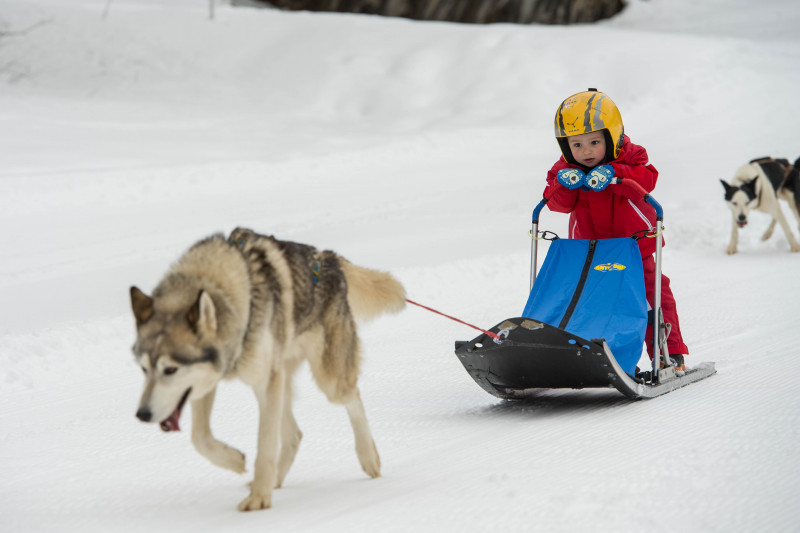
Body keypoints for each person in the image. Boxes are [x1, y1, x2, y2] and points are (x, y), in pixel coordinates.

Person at [542, 88, 688, 371]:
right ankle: (606, 358)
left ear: (613, 136)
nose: (586, 152)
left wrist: (617, 174)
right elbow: (558, 204)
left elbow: (647, 180)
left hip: (634, 246)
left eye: (594, 142)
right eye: (577, 145)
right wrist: (564, 184)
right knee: (595, 302)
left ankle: (668, 353)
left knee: (652, 295)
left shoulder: (631, 156)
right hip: (592, 249)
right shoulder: (565, 168)